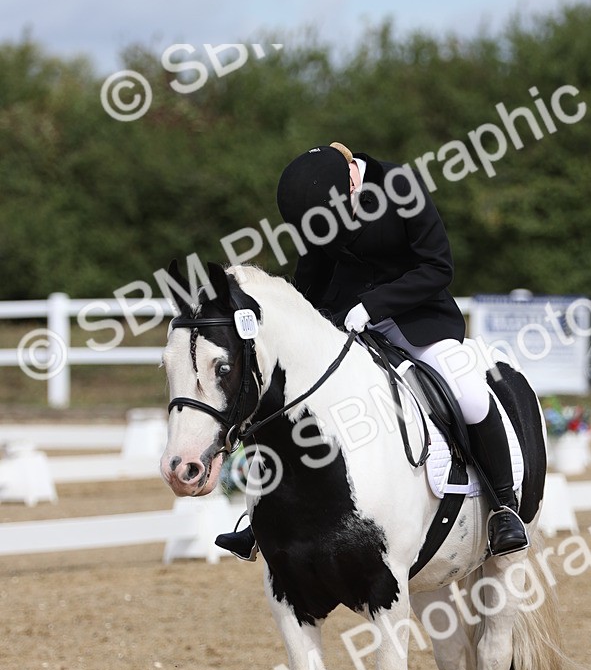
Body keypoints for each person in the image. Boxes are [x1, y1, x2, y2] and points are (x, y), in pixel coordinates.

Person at [216, 142, 529, 561]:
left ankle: (505, 508)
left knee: (469, 394)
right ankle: (260, 518)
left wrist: (374, 306)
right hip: (344, 322)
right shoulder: (318, 205)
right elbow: (312, 274)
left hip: (418, 321)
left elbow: (438, 267)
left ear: (350, 180)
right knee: (286, 400)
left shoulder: (402, 186)